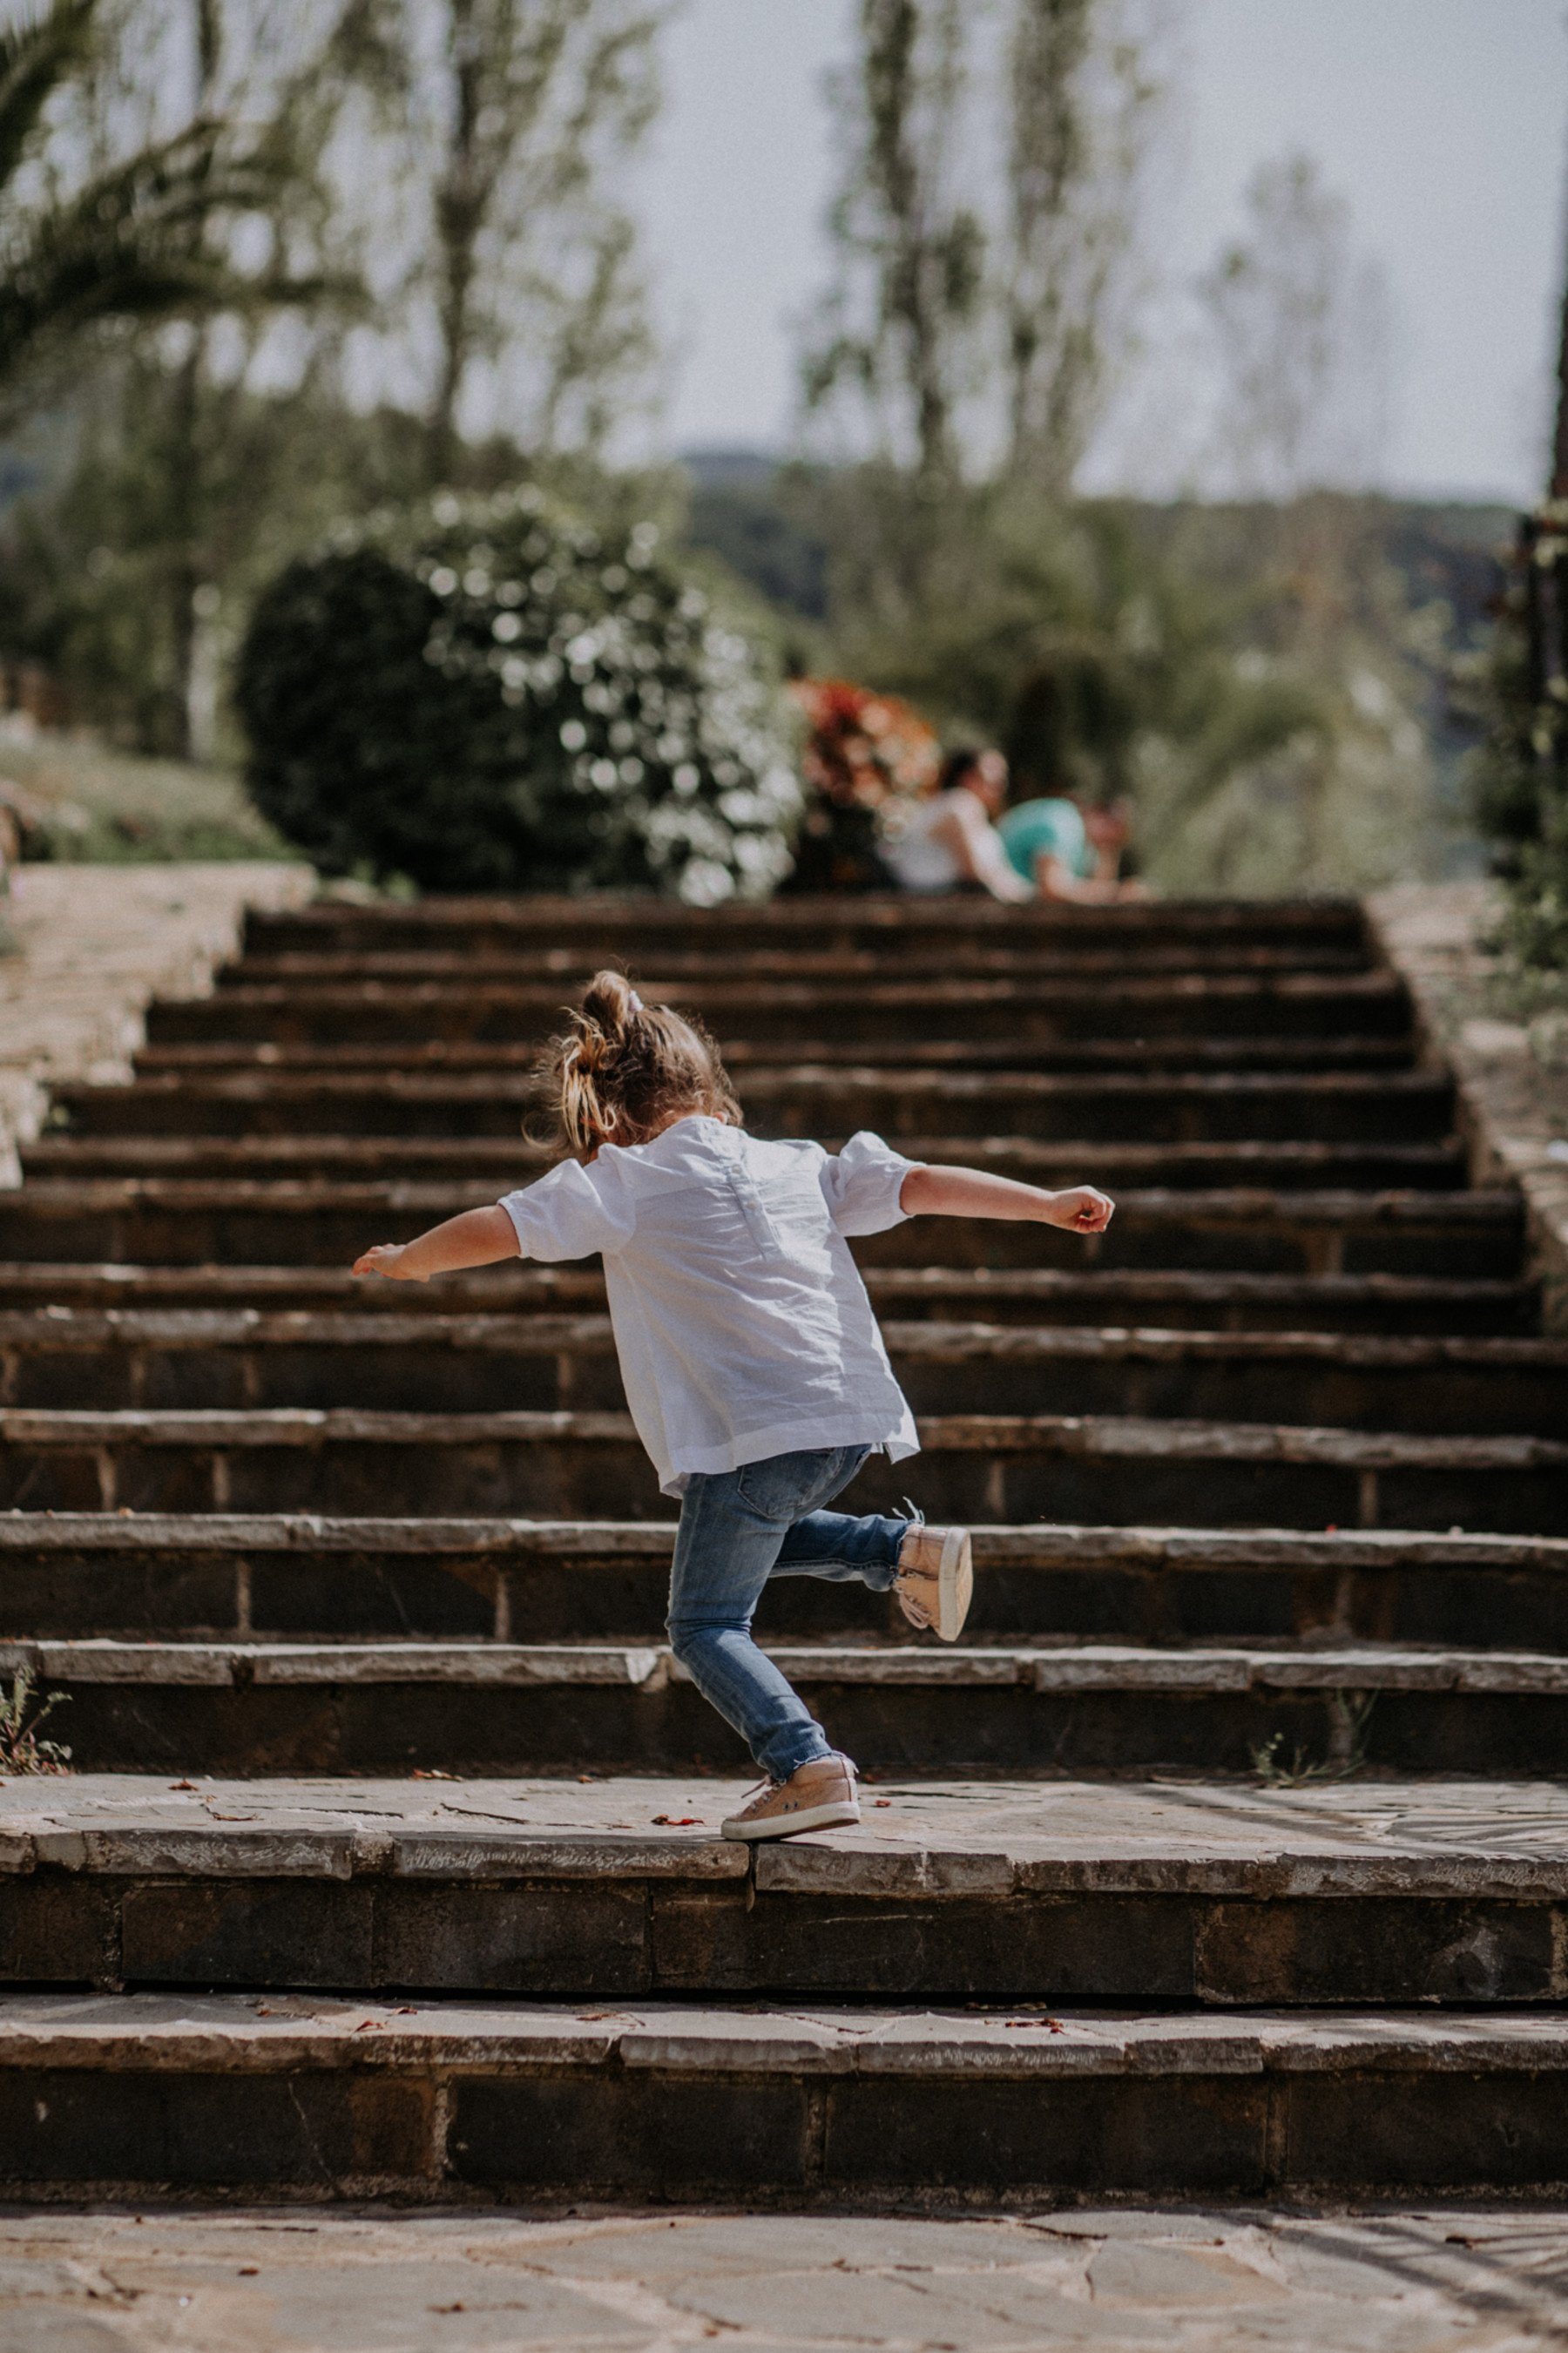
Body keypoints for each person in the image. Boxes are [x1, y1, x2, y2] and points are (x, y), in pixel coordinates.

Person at [352, 971, 1115, 1842]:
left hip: (753, 1435)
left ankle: (806, 1763)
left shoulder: (624, 1181)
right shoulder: (796, 1161)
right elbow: (923, 1183)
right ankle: (904, 1552)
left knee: (706, 1618)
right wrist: (1047, 1205)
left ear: (605, 1117)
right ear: (708, 1088)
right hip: (844, 1424)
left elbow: (501, 1225)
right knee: (737, 1542)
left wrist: (411, 1258)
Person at [883, 747, 1033, 903]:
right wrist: (1025, 897)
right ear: (966, 777)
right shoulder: (959, 803)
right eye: (991, 776)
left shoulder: (960, 808)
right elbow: (973, 873)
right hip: (935, 901)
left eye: (1002, 776)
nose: (1000, 785)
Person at [997, 793, 1145, 903]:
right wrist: (1117, 893)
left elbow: (1095, 886)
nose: (1108, 844)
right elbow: (1053, 890)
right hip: (994, 894)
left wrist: (1108, 857)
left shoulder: (1083, 844)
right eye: (1110, 836)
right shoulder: (1064, 823)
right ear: (1098, 814)